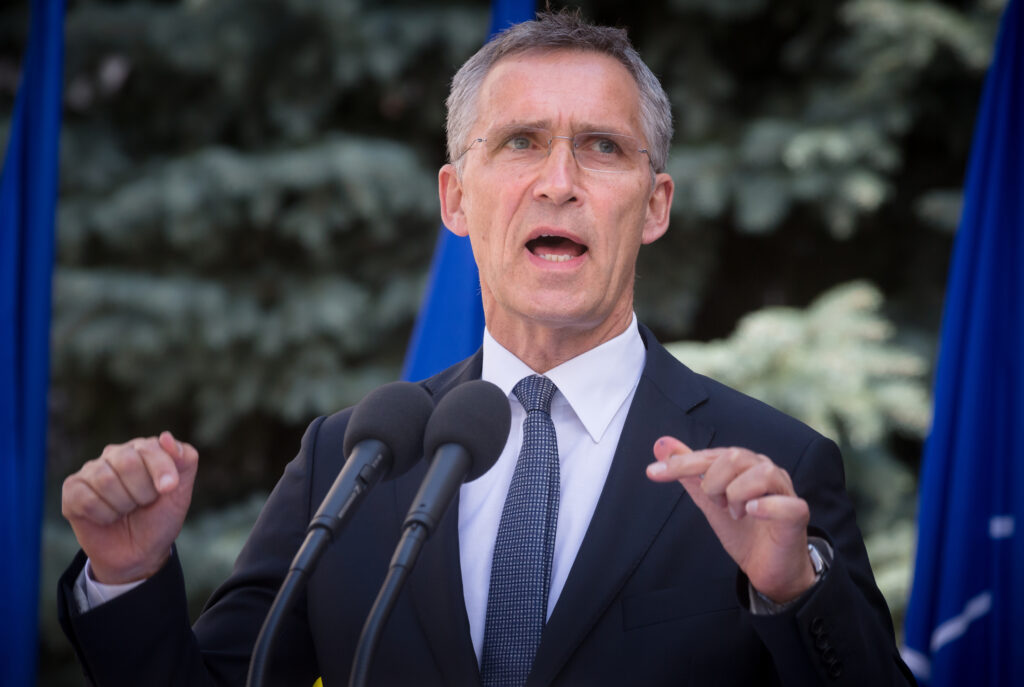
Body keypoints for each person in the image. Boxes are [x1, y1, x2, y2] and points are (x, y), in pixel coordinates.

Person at [58, 11, 915, 686]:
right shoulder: (348, 460)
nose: (559, 182)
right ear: (456, 198)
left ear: (654, 206)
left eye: (601, 147)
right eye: (520, 142)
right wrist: (126, 576)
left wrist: (795, 590)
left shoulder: (773, 468)